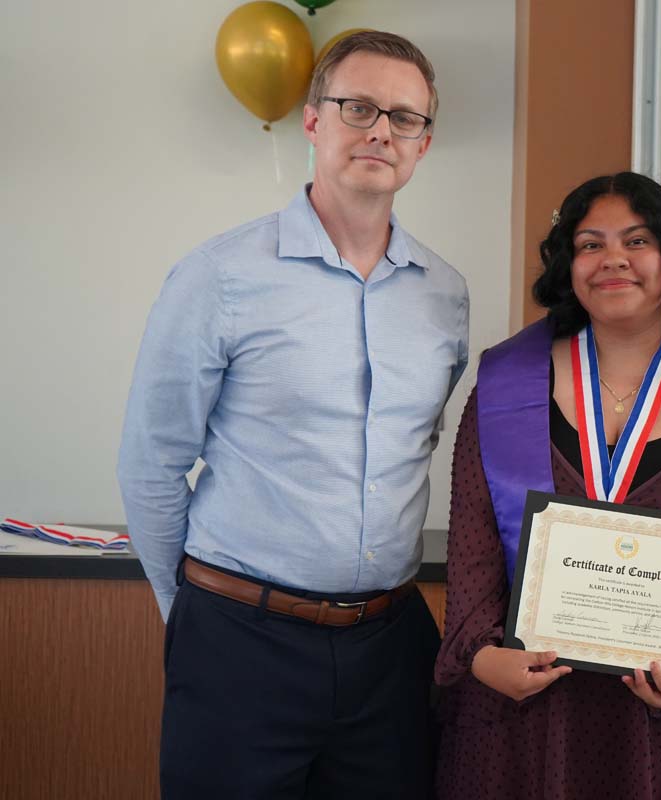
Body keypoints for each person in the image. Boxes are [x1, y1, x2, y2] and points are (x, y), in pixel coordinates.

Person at [116, 31, 467, 799]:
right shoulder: (220, 277)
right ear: (313, 120)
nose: (380, 131)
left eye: (403, 118)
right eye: (359, 107)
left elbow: (421, 445)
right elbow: (151, 465)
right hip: (240, 641)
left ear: (424, 142)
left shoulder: (445, 295)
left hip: (390, 648)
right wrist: (194, 619)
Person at [433, 172, 661, 799]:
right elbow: (472, 534)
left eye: (637, 240)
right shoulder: (507, 385)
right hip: (530, 706)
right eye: (590, 244)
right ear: (568, 265)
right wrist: (483, 655)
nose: (612, 259)